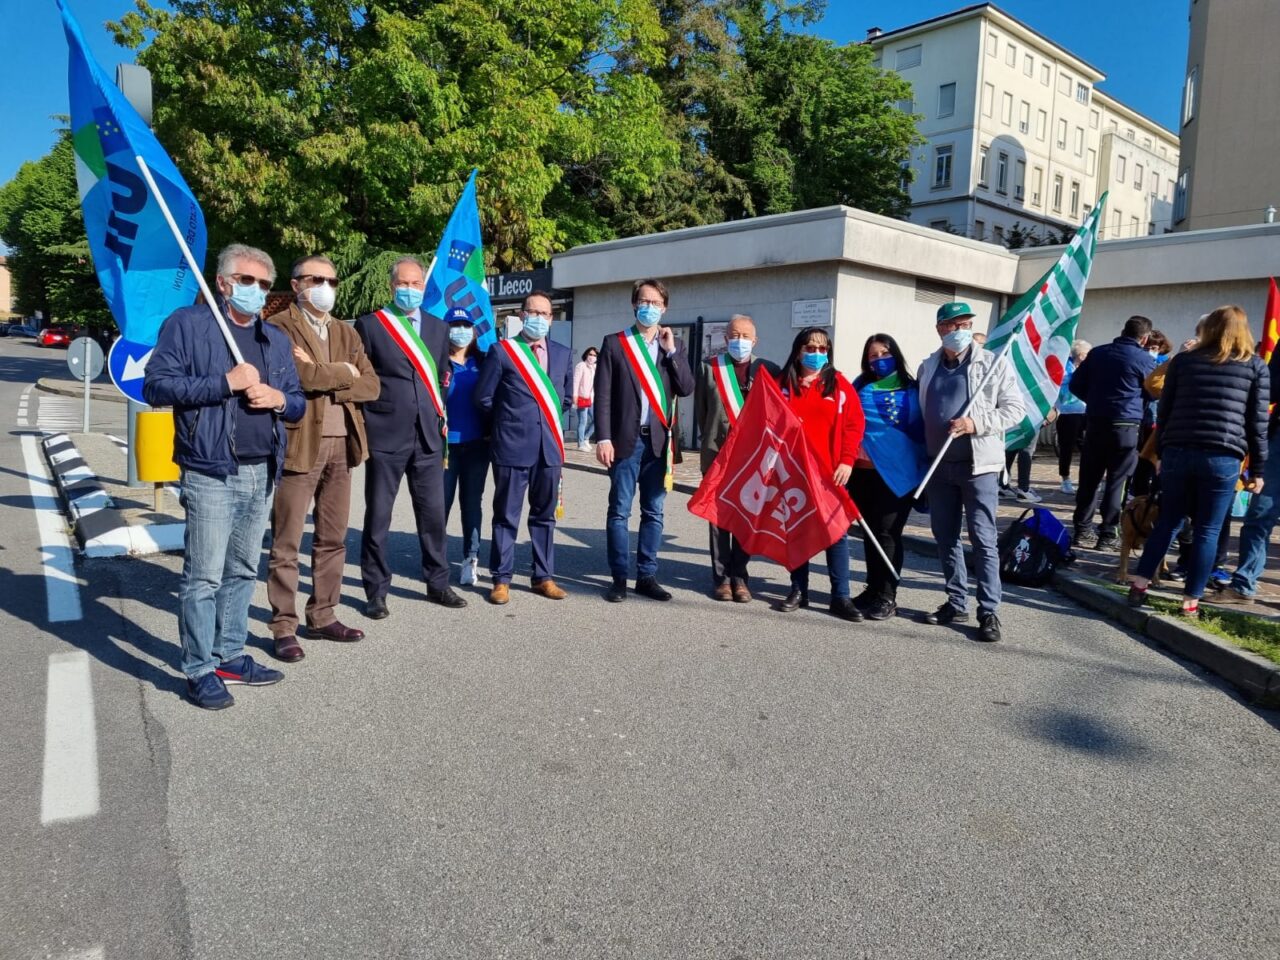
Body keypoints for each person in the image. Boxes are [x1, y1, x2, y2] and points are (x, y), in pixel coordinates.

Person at [143, 243, 306, 709]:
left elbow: (296, 401)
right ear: (223, 282)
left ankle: (230, 655)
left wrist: (278, 398)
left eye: (262, 283)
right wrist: (224, 384)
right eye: (246, 281)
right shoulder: (189, 325)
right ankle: (198, 667)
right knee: (204, 577)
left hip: (262, 470)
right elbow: (156, 385)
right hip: (210, 469)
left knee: (240, 570)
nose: (254, 290)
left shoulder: (272, 338)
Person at [265, 254, 379, 663]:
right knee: (287, 542)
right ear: (296, 284)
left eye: (332, 280)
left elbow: (371, 386)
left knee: (333, 538)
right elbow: (302, 378)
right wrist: (343, 372)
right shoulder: (278, 327)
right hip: (300, 445)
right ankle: (283, 625)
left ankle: (324, 614)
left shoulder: (346, 332)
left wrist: (335, 373)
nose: (326, 287)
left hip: (343, 444)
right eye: (317, 279)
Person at [1127, 305, 1268, 617]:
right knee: (1208, 529)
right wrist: (1257, 469)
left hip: (1178, 450)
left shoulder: (1185, 361)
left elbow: (1165, 411)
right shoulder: (1254, 366)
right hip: (1224, 455)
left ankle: (1138, 584)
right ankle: (1190, 601)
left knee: (1168, 522)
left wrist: (1161, 453)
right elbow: (1257, 423)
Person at [356, 256, 467, 618]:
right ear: (392, 286)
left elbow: (442, 377)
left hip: (429, 438)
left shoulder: (437, 328)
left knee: (434, 515)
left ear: (423, 286)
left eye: (416, 283)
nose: (409, 289)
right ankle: (376, 591)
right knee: (379, 517)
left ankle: (438, 583)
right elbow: (363, 379)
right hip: (386, 435)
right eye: (403, 283)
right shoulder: (371, 325)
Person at [918, 302, 1026, 642]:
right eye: (953, 325)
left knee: (983, 539)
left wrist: (975, 423)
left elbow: (1015, 410)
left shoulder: (993, 364)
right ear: (940, 329)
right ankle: (956, 600)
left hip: (978, 466)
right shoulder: (928, 366)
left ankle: (989, 610)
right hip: (939, 466)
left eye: (965, 324)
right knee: (945, 537)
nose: (960, 330)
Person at [593, 278, 696, 602]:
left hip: (659, 443)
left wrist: (672, 352)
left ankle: (647, 575)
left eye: (655, 303)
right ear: (634, 304)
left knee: (654, 511)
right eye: (643, 301)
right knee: (620, 511)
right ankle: (620, 578)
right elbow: (603, 396)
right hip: (625, 440)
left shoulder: (671, 347)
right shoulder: (615, 343)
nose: (649, 307)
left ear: (664, 308)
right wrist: (603, 437)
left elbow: (686, 387)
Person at [475, 290, 573, 604]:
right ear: (521, 315)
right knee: (506, 515)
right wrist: (506, 424)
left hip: (549, 450)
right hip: (511, 448)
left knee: (545, 516)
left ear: (552, 318)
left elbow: (566, 399)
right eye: (533, 312)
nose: (539, 318)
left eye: (545, 314)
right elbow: (484, 398)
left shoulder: (562, 353)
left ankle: (543, 576)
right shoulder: (503, 351)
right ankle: (501, 579)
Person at [774, 327, 865, 621]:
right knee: (798, 530)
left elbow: (854, 424)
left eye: (822, 349)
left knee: (836, 534)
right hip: (794, 472)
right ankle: (799, 589)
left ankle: (840, 596)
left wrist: (847, 461)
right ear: (798, 350)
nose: (816, 354)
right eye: (810, 348)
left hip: (830, 473)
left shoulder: (837, 384)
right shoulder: (782, 383)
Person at [693, 314, 778, 603]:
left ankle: (740, 576)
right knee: (718, 518)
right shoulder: (708, 369)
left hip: (753, 459)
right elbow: (702, 415)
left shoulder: (769, 370)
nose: (738, 340)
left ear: (755, 340)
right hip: (717, 454)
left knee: (744, 518)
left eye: (744, 336)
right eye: (733, 335)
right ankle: (721, 578)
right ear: (726, 339)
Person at [850, 333, 926, 621]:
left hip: (898, 473)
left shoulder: (911, 389)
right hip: (862, 473)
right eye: (872, 355)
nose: (879, 359)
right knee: (869, 533)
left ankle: (887, 595)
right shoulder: (860, 385)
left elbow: (920, 432)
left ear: (895, 354)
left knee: (887, 533)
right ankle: (872, 588)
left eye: (884, 353)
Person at [1067, 316, 1157, 550]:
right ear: (1145, 338)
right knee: (1117, 481)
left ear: (1122, 330)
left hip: (1096, 421)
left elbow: (1075, 384)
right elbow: (1154, 391)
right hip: (1125, 425)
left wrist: (1096, 401)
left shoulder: (1097, 353)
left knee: (1089, 478)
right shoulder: (1144, 359)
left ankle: (1082, 530)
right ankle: (1108, 533)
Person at [442, 305, 489, 587]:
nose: (461, 330)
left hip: (476, 445)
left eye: (466, 325)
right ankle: (435, 560)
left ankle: (470, 559)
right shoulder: (436, 362)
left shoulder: (483, 361)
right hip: (444, 448)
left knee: (472, 504)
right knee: (440, 505)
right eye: (455, 325)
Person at [1054, 339, 1090, 494]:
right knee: (1066, 447)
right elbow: (1060, 382)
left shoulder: (1088, 368)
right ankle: (1065, 479)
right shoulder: (1064, 367)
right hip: (1068, 412)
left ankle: (1088, 479)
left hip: (1086, 411)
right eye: (1087, 354)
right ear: (1081, 355)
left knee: (1088, 447)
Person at [573, 347, 597, 450]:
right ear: (586, 355)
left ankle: (586, 437)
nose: (592, 357)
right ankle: (581, 444)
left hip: (591, 398)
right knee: (583, 421)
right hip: (581, 397)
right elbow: (576, 382)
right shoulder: (581, 366)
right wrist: (575, 396)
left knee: (597, 419)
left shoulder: (595, 368)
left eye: (594, 355)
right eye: (590, 354)